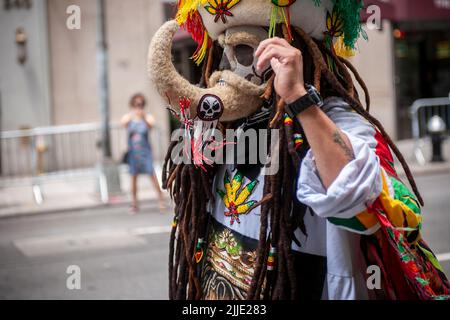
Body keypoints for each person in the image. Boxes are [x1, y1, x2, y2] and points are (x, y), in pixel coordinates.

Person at [148, 0, 449, 300]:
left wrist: (298, 98)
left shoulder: (337, 120)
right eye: (223, 55)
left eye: (244, 51)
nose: (229, 70)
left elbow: (358, 197)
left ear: (293, 56)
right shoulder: (230, 127)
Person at [121, 93, 165, 213]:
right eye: (136, 104)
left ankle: (161, 200)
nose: (138, 107)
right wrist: (133, 114)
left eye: (140, 104)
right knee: (133, 178)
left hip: (145, 153)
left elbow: (151, 124)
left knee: (153, 176)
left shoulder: (146, 117)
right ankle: (134, 203)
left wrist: (143, 115)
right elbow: (123, 122)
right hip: (133, 154)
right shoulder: (129, 118)